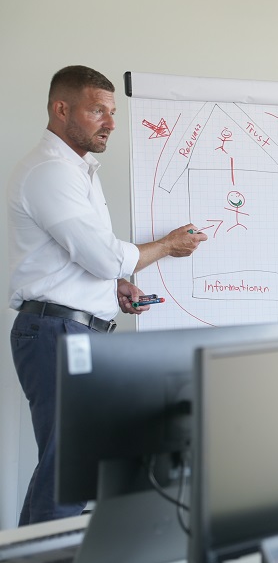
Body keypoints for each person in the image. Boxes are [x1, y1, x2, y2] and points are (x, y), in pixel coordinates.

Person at [8, 65, 208, 525]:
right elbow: (101, 256)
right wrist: (167, 246)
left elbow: (85, 259)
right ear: (62, 109)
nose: (111, 123)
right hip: (56, 332)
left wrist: (114, 286)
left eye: (113, 112)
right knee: (69, 471)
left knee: (73, 468)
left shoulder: (76, 171)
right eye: (98, 110)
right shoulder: (50, 172)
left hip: (73, 328)